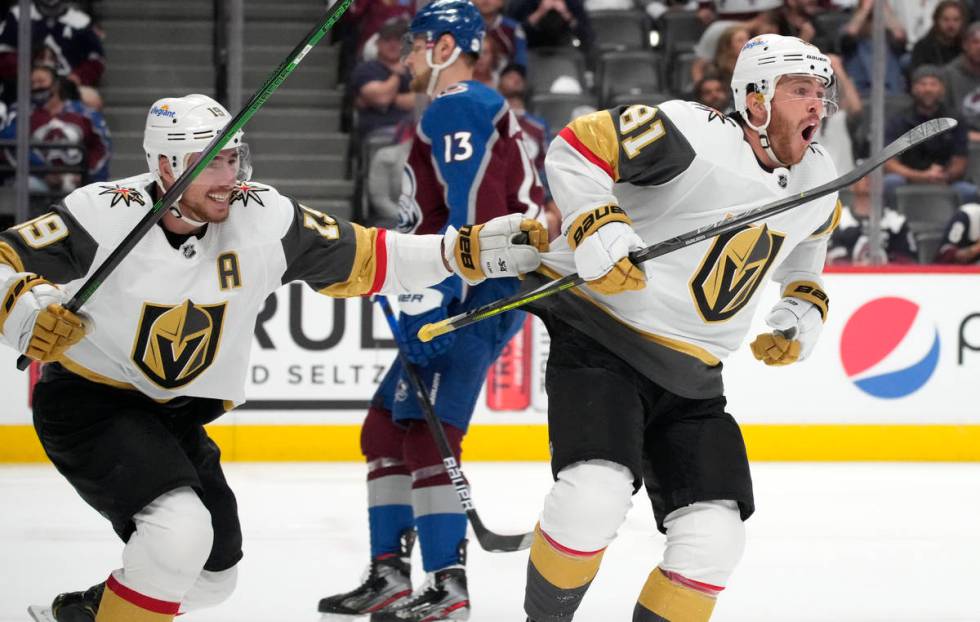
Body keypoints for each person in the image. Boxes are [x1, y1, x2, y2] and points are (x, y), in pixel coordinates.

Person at [0, 92, 545, 622]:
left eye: (232, 157)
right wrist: (22, 308)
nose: (227, 176)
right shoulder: (100, 213)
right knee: (178, 535)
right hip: (92, 404)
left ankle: (89, 613)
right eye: (207, 163)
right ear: (165, 165)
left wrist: (463, 251)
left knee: (212, 579)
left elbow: (374, 256)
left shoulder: (262, 215)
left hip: (175, 419)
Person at [520, 34, 840, 622]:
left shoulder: (818, 175)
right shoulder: (692, 132)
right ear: (756, 99)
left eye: (821, 93)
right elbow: (577, 147)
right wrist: (596, 223)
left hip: (695, 381)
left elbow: (809, 245)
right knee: (593, 498)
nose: (817, 104)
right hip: (603, 343)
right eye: (800, 91)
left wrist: (802, 302)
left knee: (716, 542)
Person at [317, 2, 546, 622]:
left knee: (427, 437)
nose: (407, 56)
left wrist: (440, 295)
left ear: (447, 44)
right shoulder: (456, 107)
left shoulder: (459, 105)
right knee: (384, 431)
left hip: (476, 290)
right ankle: (391, 575)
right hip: (465, 284)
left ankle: (448, 586)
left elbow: (472, 209)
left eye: (416, 45)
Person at [0, 65, 111, 196]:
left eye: (41, 81)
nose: (36, 87)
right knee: (26, 185)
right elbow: (10, 146)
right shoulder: (20, 113)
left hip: (78, 181)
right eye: (32, 83)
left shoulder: (84, 113)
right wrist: (44, 172)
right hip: (37, 179)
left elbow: (102, 147)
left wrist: (86, 174)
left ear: (56, 84)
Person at [883, 64, 974, 206]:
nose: (928, 89)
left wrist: (944, 175)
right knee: (890, 182)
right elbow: (889, 163)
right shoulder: (898, 119)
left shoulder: (954, 119)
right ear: (913, 88)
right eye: (923, 84)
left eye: (933, 84)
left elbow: (960, 161)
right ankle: (892, 225)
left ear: (942, 89)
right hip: (908, 178)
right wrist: (921, 176)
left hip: (944, 178)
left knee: (969, 192)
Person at [0, 0, 105, 109]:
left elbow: (96, 60)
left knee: (91, 98)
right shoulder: (17, 15)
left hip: (66, 88)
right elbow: (4, 52)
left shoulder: (81, 22)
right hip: (23, 88)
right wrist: (30, 73)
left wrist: (74, 79)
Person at [827, 172, 918, 265]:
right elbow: (830, 259)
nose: (869, 179)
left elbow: (908, 261)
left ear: (882, 185)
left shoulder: (897, 221)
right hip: (847, 279)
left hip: (887, 278)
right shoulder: (839, 219)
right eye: (863, 175)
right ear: (852, 185)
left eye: (874, 176)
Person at [349, 17, 416, 141]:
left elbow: (422, 101)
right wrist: (397, 74)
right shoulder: (366, 69)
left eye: (398, 40)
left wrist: (390, 98)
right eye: (387, 39)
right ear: (377, 43)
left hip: (412, 128)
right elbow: (381, 98)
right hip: (380, 129)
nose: (393, 44)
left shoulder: (414, 70)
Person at [839, 0, 908, 97]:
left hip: (890, 93)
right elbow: (850, 33)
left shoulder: (890, 37)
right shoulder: (852, 36)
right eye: (869, 19)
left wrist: (884, 9)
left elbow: (900, 36)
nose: (873, 24)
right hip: (861, 93)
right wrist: (865, 9)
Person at [942, 21, 980, 142]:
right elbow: (941, 117)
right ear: (965, 45)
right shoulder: (948, 74)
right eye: (975, 42)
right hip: (959, 140)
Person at [909, 0, 968, 74]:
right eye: (946, 20)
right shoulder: (922, 47)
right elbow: (918, 77)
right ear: (936, 21)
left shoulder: (966, 46)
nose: (951, 25)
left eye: (956, 20)